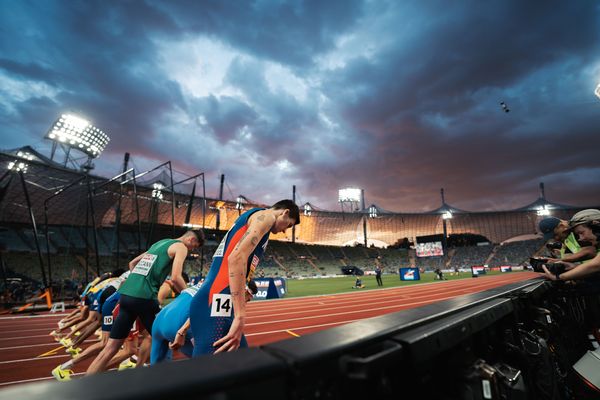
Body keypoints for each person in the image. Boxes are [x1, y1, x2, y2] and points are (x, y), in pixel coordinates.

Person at [189, 199, 299, 356]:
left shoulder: (255, 219)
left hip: (218, 301)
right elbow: (236, 258)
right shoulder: (266, 217)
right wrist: (240, 316)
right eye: (289, 225)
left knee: (242, 364)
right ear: (285, 212)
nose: (284, 231)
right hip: (216, 301)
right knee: (205, 373)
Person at [86, 229, 204, 375]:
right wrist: (190, 295)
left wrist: (137, 283)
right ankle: (163, 379)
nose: (191, 250)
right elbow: (175, 277)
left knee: (111, 347)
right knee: (163, 335)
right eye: (194, 247)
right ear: (191, 240)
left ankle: (85, 385)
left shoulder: (160, 243)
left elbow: (132, 263)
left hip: (126, 297)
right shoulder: (181, 247)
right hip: (145, 298)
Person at [152, 280, 258, 364]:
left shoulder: (210, 280)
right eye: (247, 300)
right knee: (215, 362)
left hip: (160, 320)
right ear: (246, 291)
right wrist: (182, 331)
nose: (245, 304)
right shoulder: (229, 292)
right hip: (182, 322)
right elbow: (201, 310)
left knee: (157, 370)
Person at [540, 210, 600, 282]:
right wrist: (575, 267)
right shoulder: (567, 238)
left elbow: (595, 262)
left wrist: (558, 277)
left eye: (581, 232)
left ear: (596, 226)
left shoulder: (576, 231)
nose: (581, 238)